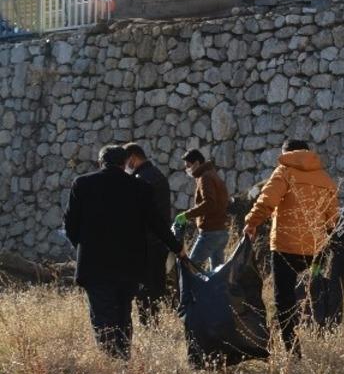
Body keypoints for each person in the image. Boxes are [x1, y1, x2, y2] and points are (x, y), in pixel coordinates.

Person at [64, 145, 184, 360]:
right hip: (129, 265)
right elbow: (157, 224)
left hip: (95, 265)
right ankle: (123, 358)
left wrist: (84, 248)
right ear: (125, 162)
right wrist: (177, 248)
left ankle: (110, 361)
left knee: (102, 316)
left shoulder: (82, 184)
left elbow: (71, 224)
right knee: (123, 314)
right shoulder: (141, 188)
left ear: (101, 162)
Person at [244, 139, 339, 355]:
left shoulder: (285, 170)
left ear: (286, 152)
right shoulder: (325, 178)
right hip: (314, 247)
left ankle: (291, 350)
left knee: (284, 298)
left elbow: (267, 201)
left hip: (285, 246)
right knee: (305, 295)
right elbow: (332, 219)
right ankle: (298, 336)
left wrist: (251, 222)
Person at [124, 142, 173, 323]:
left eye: (126, 162)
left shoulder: (141, 179)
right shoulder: (156, 175)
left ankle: (149, 324)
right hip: (159, 241)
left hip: (146, 243)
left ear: (133, 158)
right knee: (156, 287)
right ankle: (154, 323)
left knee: (145, 290)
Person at [178, 149, 231, 270]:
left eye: (188, 166)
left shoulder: (204, 177)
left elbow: (209, 203)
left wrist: (187, 215)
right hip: (221, 230)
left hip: (210, 232)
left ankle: (187, 290)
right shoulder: (212, 173)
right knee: (217, 273)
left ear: (197, 163)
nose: (187, 169)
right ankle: (217, 290)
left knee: (189, 268)